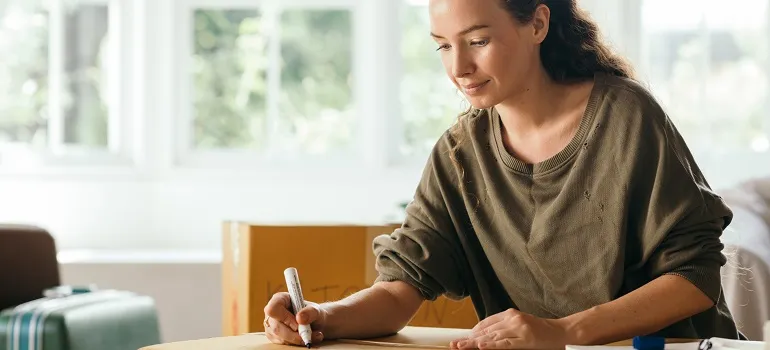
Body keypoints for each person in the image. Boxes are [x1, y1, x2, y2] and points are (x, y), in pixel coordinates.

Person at [263, 0, 744, 348]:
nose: (459, 68)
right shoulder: (459, 152)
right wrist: (320, 316)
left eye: (477, 41)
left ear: (538, 22)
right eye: (442, 47)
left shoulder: (627, 118)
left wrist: (563, 331)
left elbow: (693, 277)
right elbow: (400, 289)